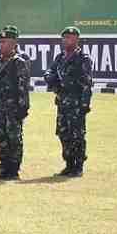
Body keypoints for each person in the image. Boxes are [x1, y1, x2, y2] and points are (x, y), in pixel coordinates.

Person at [0, 25, 31, 180]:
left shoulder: (18, 62)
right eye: (0, 42)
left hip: (12, 107)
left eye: (6, 42)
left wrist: (22, 107)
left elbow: (23, 87)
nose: (2, 45)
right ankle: (5, 164)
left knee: (13, 137)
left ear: (14, 44)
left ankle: (13, 169)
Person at [44, 26, 94, 177]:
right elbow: (49, 72)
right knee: (63, 133)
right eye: (64, 38)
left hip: (76, 104)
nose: (66, 41)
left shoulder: (83, 59)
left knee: (77, 135)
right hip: (62, 102)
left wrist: (85, 105)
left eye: (69, 38)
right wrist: (50, 79)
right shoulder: (60, 58)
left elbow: (87, 84)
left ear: (76, 40)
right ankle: (69, 164)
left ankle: (78, 166)